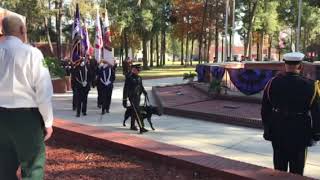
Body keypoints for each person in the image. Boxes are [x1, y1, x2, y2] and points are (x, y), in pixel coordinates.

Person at [0, 15, 53, 179]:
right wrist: (48, 121)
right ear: (22, 30)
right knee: (32, 169)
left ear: (3, 31)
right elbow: (43, 91)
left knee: (4, 169)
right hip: (26, 119)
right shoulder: (33, 53)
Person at [261, 52, 320, 175]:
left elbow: (265, 110)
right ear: (300, 66)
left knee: (279, 167)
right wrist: (316, 134)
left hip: (278, 129)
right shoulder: (311, 85)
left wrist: (267, 129)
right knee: (297, 169)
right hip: (300, 131)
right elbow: (317, 113)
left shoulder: (272, 83)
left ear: (285, 65)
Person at [122, 64, 148, 133]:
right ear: (133, 70)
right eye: (137, 69)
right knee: (137, 112)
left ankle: (132, 126)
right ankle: (141, 127)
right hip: (132, 97)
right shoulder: (129, 78)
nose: (139, 71)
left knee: (134, 112)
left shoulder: (139, 77)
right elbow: (125, 89)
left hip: (137, 97)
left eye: (139, 70)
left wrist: (144, 92)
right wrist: (124, 99)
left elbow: (141, 86)